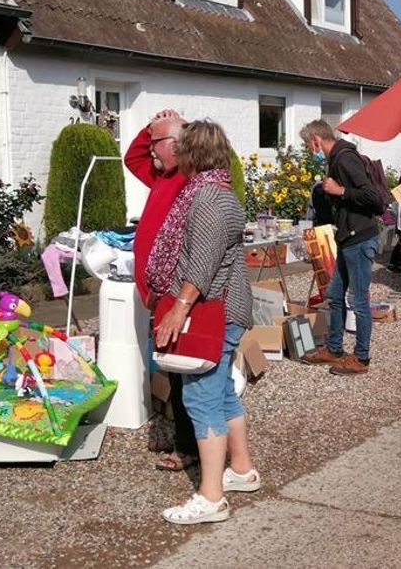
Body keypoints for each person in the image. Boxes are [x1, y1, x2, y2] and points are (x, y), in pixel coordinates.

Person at [152, 120, 259, 525]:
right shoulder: (213, 191)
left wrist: (179, 309)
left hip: (213, 311)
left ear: (191, 154)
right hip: (222, 310)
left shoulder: (211, 199)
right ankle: (242, 470)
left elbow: (202, 264)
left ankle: (211, 497)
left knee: (202, 398)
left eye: (179, 150)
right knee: (223, 394)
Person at [123, 110, 198, 472]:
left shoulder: (190, 178)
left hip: (177, 291)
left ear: (177, 145)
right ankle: (192, 442)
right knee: (174, 368)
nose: (149, 151)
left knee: (185, 371)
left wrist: (183, 126)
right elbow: (132, 157)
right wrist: (149, 128)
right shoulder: (162, 174)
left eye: (156, 143)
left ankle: (190, 446)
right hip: (158, 292)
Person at [297, 120, 381, 376]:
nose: (310, 151)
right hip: (347, 238)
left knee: (358, 300)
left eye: (308, 145)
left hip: (360, 238)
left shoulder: (345, 159)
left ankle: (361, 358)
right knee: (334, 296)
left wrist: (340, 190)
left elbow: (373, 198)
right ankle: (334, 348)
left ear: (316, 140)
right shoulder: (336, 159)